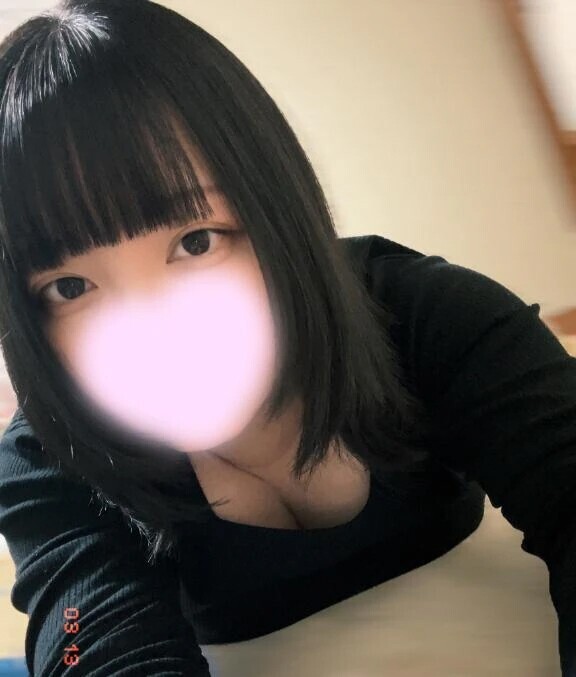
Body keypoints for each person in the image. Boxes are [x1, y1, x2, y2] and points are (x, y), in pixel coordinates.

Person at [0, 1, 574, 675]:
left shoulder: (425, 313)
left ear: (274, 202)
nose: (154, 330)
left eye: (196, 241)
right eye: (70, 287)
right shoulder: (52, 454)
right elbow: (84, 640)